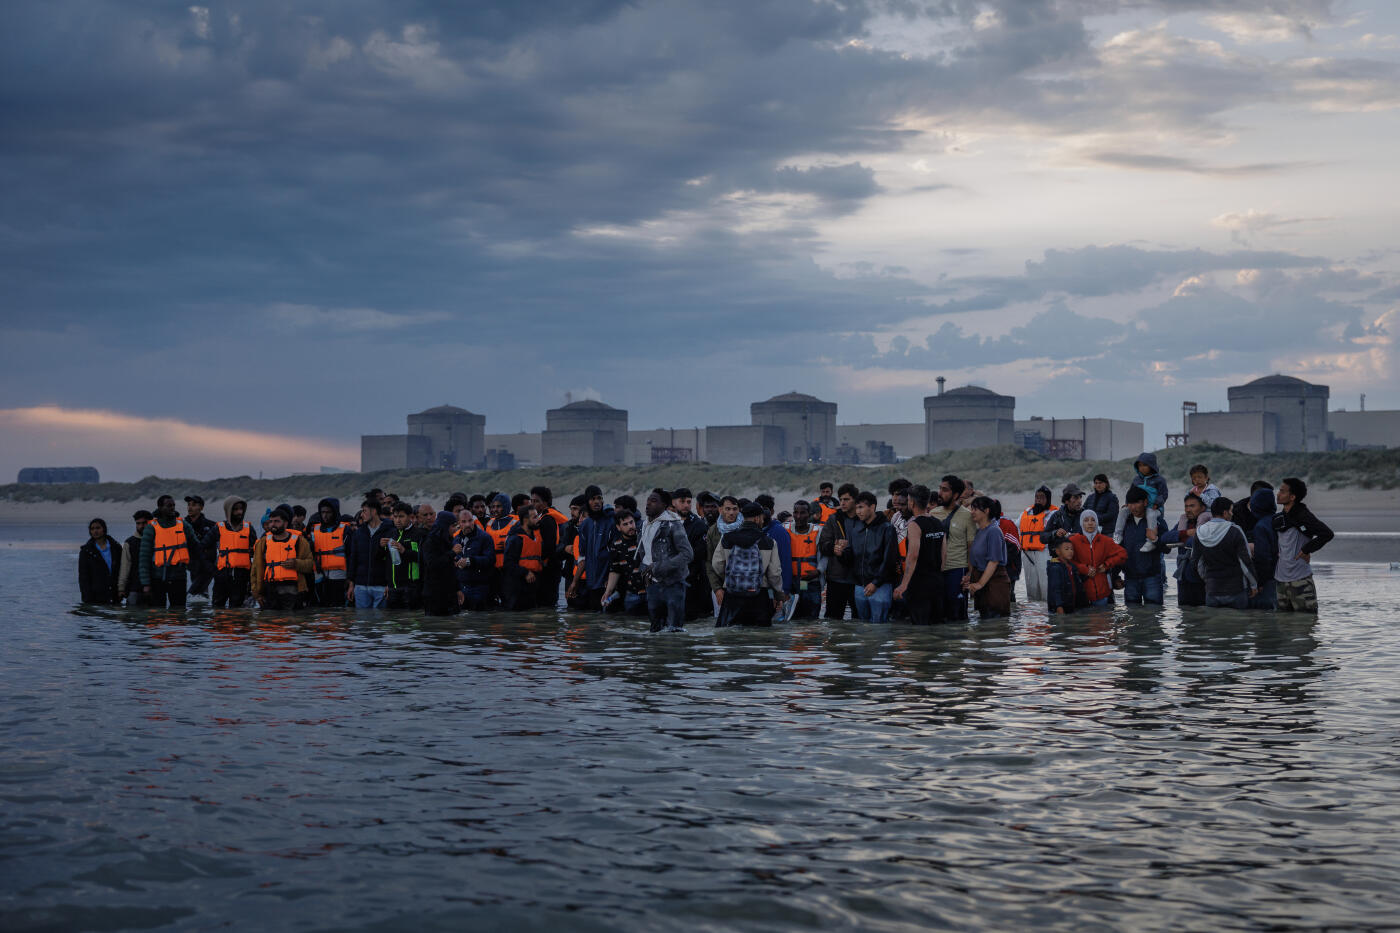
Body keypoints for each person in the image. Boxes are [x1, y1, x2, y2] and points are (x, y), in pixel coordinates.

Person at [713, 503, 787, 627]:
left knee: (729, 638)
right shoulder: (768, 542)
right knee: (759, 638)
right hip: (759, 594)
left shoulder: (726, 538)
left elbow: (717, 564)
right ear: (757, 518)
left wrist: (730, 577)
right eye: (762, 518)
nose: (763, 521)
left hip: (732, 594)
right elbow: (774, 573)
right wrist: (778, 594)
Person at [636, 489, 694, 632]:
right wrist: (644, 570)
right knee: (655, 629)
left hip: (673, 583)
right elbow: (643, 553)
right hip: (651, 581)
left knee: (675, 629)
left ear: (664, 505)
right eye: (649, 499)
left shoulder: (673, 524)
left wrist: (661, 567)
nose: (648, 503)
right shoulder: (644, 525)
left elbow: (687, 554)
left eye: (654, 501)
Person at [1273, 477, 1333, 614]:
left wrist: (1306, 549)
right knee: (1283, 628)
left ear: (1292, 496)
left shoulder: (1303, 515)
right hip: (1280, 581)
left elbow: (1327, 533)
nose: (1278, 494)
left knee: (1306, 625)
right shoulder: (1277, 518)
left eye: (1282, 491)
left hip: (1300, 580)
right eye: (1279, 490)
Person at [892, 484, 945, 625]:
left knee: (920, 627)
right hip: (937, 582)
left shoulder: (914, 525)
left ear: (912, 502)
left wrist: (904, 585)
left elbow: (913, 555)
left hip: (919, 583)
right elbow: (944, 556)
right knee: (936, 624)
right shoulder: (938, 523)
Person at [1193, 497, 1258, 609]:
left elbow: (1197, 562)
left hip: (1212, 590)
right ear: (1225, 513)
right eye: (1231, 511)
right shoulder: (1235, 530)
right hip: (1236, 590)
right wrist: (1254, 584)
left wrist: (1208, 579)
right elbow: (1245, 561)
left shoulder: (1200, 532)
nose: (1232, 514)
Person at [138, 495, 201, 608]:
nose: (172, 508)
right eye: (169, 506)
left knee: (179, 614)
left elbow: (196, 548)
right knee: (157, 616)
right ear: (160, 507)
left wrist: (196, 568)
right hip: (157, 577)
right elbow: (144, 558)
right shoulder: (151, 528)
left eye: (173, 505)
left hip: (179, 576)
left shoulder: (183, 525)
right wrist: (146, 584)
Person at [250, 507, 314, 610]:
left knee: (291, 622)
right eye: (270, 521)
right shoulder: (263, 542)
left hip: (293, 590)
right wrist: (256, 592)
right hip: (270, 590)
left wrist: (296, 564)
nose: (272, 524)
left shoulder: (300, 541)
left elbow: (310, 564)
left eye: (276, 521)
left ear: (285, 523)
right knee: (270, 623)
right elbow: (255, 569)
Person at [848, 491, 898, 622]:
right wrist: (841, 551)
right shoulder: (856, 529)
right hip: (860, 586)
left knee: (879, 627)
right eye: (856, 508)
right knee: (863, 627)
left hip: (880, 586)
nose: (858, 511)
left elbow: (890, 560)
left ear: (872, 507)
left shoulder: (887, 528)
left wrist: (876, 583)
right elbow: (852, 558)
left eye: (861, 507)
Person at [931, 475, 975, 622]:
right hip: (936, 571)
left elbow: (971, 548)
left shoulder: (967, 516)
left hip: (957, 571)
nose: (940, 493)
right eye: (940, 489)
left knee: (957, 617)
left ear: (955, 495)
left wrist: (970, 574)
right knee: (938, 615)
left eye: (945, 490)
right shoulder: (933, 513)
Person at [1118, 487, 1168, 605]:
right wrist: (1115, 575)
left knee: (1153, 615)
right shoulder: (1124, 522)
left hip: (1152, 577)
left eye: (1136, 503)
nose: (1133, 507)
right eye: (1130, 503)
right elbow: (1118, 550)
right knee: (1132, 615)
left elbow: (1166, 549)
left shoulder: (1157, 521)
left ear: (1145, 502)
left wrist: (1154, 539)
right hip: (1130, 578)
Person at [817, 483, 861, 620]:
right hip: (837, 577)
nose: (842, 503)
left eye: (846, 499)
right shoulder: (834, 519)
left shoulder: (863, 519)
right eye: (841, 499)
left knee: (860, 620)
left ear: (855, 500)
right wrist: (833, 547)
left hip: (858, 577)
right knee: (832, 620)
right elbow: (822, 544)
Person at [964, 496, 1012, 619]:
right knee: (984, 624)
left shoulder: (994, 531)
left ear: (986, 511)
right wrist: (970, 578)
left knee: (995, 623)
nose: (972, 512)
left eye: (975, 509)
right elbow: (977, 559)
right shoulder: (980, 531)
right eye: (971, 509)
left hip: (995, 583)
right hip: (983, 581)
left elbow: (994, 561)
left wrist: (980, 584)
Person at [1069, 510, 1127, 608]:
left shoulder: (1106, 541)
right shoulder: (1073, 541)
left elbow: (1123, 554)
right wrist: (1084, 569)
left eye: (1093, 520)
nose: (1090, 523)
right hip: (1081, 593)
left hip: (1102, 593)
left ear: (1097, 523)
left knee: (1104, 621)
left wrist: (1106, 565)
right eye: (1086, 520)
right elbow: (1067, 561)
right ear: (1081, 523)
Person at [671, 487, 711, 622]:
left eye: (689, 502)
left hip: (691, 582)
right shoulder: (667, 523)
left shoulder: (698, 525)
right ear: (673, 502)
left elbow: (696, 554)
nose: (686, 505)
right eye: (682, 501)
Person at [1114, 452, 1168, 553]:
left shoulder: (1159, 480)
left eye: (1144, 465)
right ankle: (1118, 534)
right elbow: (1131, 493)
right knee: (1123, 511)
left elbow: (1163, 494)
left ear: (1151, 465)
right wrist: (1127, 502)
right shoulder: (1136, 480)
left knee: (1151, 515)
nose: (1141, 468)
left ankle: (1150, 542)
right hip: (1138, 507)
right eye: (1139, 465)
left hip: (1154, 508)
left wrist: (1157, 503)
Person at [572, 485, 615, 610]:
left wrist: (610, 578)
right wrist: (575, 582)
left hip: (608, 582)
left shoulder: (610, 521)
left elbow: (616, 552)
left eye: (599, 498)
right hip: (591, 582)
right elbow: (582, 556)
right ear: (587, 502)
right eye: (593, 499)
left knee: (609, 617)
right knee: (594, 620)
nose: (597, 502)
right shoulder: (585, 524)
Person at [347, 500, 396, 608]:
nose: (361, 514)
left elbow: (392, 560)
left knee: (379, 622)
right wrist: (351, 584)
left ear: (374, 511)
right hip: (360, 585)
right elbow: (353, 559)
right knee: (362, 622)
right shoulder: (358, 533)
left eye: (364, 511)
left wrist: (390, 584)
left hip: (381, 585)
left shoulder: (390, 531)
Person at [1162, 493, 1208, 607]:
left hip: (1201, 577)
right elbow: (1165, 538)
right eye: (1186, 506)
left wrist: (1184, 539)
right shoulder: (1183, 523)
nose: (1188, 510)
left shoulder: (1208, 523)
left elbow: (1194, 542)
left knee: (1203, 614)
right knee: (1184, 613)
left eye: (1192, 506)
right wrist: (1186, 533)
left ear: (1202, 508)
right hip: (1183, 576)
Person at [212, 495, 257, 609]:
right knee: (217, 608)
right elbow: (202, 547)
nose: (239, 512)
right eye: (235, 509)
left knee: (237, 609)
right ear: (229, 510)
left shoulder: (249, 528)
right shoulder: (218, 528)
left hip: (241, 576)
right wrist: (211, 568)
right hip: (222, 576)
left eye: (241, 509)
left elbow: (256, 551)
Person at [600, 510, 647, 615]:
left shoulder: (644, 537)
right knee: (631, 626)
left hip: (651, 592)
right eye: (625, 524)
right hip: (632, 594)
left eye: (631, 522)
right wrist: (608, 592)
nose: (630, 526)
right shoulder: (616, 545)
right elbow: (615, 570)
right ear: (618, 527)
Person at [530, 486, 570, 610]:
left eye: (536, 501)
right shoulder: (545, 516)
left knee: (546, 604)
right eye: (532, 501)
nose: (533, 504)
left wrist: (538, 559)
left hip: (549, 569)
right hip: (551, 567)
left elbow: (549, 546)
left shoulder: (547, 519)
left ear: (545, 502)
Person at [1018, 485, 1057, 602]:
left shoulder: (1053, 513)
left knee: (1045, 584)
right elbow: (1015, 526)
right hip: (1027, 554)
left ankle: (1047, 611)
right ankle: (1033, 613)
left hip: (1044, 552)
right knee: (1031, 587)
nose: (1038, 500)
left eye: (1042, 497)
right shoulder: (1026, 512)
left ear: (1048, 499)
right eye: (1036, 497)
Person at [501, 506, 543, 611]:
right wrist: (525, 572)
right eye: (534, 517)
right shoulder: (515, 538)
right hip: (516, 588)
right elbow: (508, 563)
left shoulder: (535, 537)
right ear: (525, 520)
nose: (538, 520)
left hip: (531, 586)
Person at [453, 504, 494, 610]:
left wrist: (469, 561)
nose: (468, 524)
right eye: (464, 521)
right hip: (461, 587)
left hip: (479, 587)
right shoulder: (456, 539)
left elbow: (490, 560)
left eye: (470, 520)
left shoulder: (484, 537)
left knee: (479, 621)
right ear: (458, 523)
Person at [310, 498, 350, 608]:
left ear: (335, 512)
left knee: (338, 605)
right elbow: (310, 552)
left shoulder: (345, 529)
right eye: (323, 512)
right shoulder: (314, 530)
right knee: (322, 605)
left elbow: (350, 554)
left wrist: (350, 578)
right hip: (319, 572)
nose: (325, 515)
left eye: (328, 512)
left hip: (338, 573)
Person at [786, 500, 823, 619]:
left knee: (811, 618)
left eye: (803, 513)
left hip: (809, 582)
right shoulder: (785, 530)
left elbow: (824, 556)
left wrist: (818, 571)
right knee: (792, 618)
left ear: (809, 514)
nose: (799, 516)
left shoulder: (818, 531)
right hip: (791, 583)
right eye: (796, 513)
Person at [385, 502, 423, 610]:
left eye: (401, 516)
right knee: (393, 623)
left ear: (410, 517)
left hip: (411, 588)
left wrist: (403, 550)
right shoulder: (391, 534)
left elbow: (422, 558)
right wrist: (380, 547)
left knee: (411, 623)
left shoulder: (418, 534)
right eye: (395, 516)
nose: (397, 520)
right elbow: (386, 561)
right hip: (392, 588)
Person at [421, 511, 460, 616]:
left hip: (449, 594)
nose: (455, 529)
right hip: (435, 595)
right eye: (453, 526)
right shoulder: (430, 542)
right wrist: (452, 553)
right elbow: (432, 564)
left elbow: (450, 569)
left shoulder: (449, 540)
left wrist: (458, 589)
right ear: (445, 526)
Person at [1247, 487, 1279, 610]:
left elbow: (1263, 557)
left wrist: (1259, 583)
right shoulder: (1278, 520)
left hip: (1268, 580)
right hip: (1283, 575)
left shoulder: (1261, 526)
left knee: (1265, 616)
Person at [79, 518, 123, 604]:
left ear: (104, 529)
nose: (95, 531)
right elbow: (83, 577)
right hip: (96, 595)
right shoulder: (86, 551)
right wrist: (87, 598)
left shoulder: (116, 547)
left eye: (98, 528)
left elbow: (122, 569)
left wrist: (122, 589)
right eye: (92, 529)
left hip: (115, 592)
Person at [182, 494, 218, 598]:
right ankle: (200, 611)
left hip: (208, 565)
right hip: (192, 564)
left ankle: (201, 610)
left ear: (201, 508)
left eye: (193, 505)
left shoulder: (211, 525)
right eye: (188, 505)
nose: (190, 507)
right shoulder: (182, 525)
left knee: (194, 594)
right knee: (198, 595)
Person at [117, 510, 152, 606]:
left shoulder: (156, 540)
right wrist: (121, 588)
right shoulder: (130, 542)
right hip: (134, 588)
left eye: (144, 523)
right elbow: (125, 567)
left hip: (155, 587)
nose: (141, 526)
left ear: (150, 522)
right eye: (138, 523)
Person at [1045, 538, 1084, 615]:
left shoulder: (1071, 566)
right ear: (1058, 551)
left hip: (1071, 607)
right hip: (1060, 609)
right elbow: (1056, 590)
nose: (1070, 551)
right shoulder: (1055, 568)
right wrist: (1059, 607)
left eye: (1072, 549)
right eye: (1066, 549)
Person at [1084, 475, 1119, 541]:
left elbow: (1111, 514)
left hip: (1107, 531)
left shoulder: (1112, 497)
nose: (1098, 485)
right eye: (1096, 483)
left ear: (1106, 484)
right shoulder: (1090, 497)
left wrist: (1095, 519)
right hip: (1091, 531)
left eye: (1100, 483)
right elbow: (1084, 511)